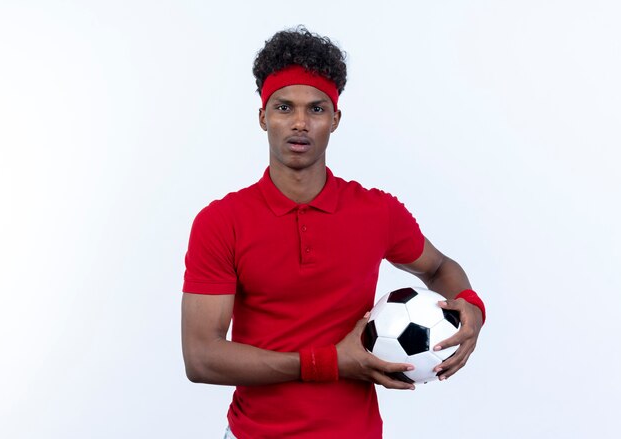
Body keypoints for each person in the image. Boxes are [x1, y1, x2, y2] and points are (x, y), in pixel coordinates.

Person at [181, 26, 485, 439]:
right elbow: (201, 358)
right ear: (263, 117)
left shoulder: (376, 211)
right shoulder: (221, 222)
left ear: (335, 119)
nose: (300, 123)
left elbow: (438, 267)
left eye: (317, 109)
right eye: (284, 108)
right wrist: (329, 363)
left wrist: (470, 306)